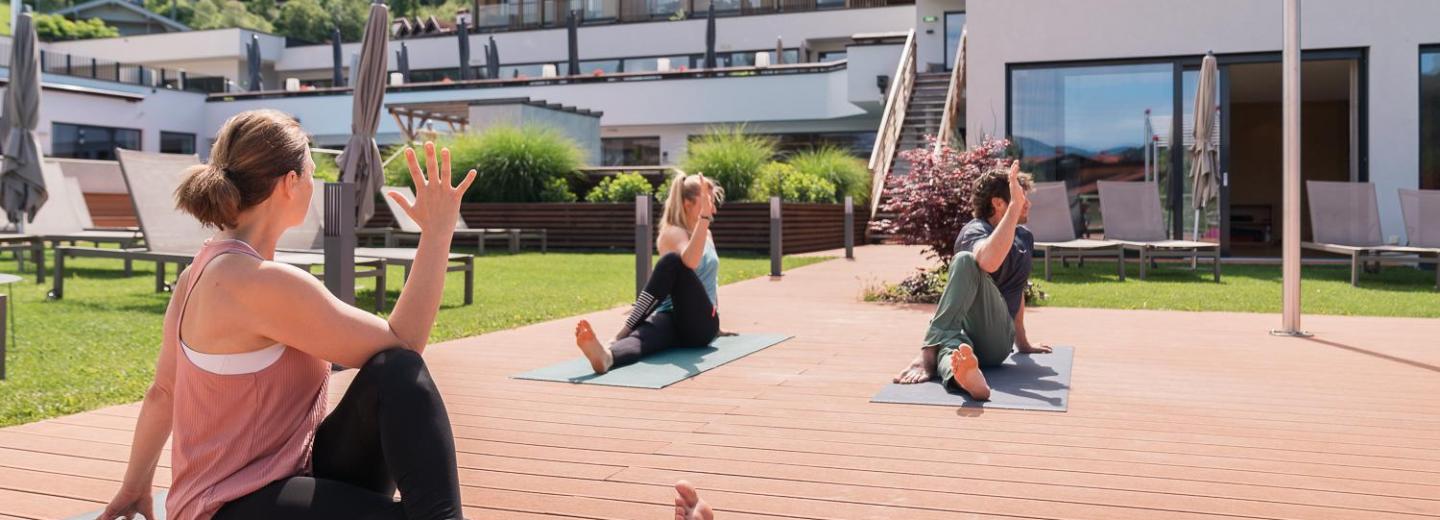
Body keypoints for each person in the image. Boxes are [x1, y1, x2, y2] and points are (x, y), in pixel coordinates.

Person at [97, 110, 475, 520]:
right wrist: (437, 234)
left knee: (393, 373)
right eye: (312, 171)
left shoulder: (197, 273)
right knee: (401, 365)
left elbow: (163, 393)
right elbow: (406, 340)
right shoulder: (263, 283)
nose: (314, 183)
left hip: (286, 477)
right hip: (230, 506)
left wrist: (136, 485)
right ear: (290, 183)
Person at [893, 160, 1052, 400]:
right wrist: (1014, 207)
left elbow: (1015, 290)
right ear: (998, 203)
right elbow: (988, 261)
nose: (1026, 203)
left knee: (965, 261)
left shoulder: (1024, 238)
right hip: (962, 336)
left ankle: (928, 352)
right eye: (1020, 197)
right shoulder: (975, 231)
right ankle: (963, 378)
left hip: (996, 340)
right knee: (954, 354)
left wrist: (1023, 342)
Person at [575, 172, 724, 374]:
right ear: (688, 203)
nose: (712, 208)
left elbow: (704, 275)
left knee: (673, 261)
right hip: (671, 319)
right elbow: (689, 261)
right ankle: (607, 356)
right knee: (641, 338)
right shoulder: (672, 233)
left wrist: (703, 217)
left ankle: (622, 331)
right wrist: (704, 218)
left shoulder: (707, 233)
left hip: (702, 325)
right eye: (707, 201)